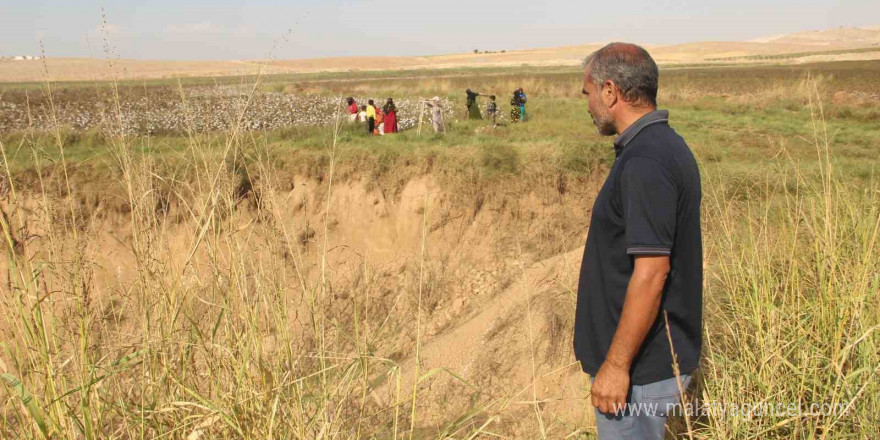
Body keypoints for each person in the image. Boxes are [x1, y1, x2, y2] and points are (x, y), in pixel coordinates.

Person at [573, 43, 702, 440]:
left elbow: (651, 273)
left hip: (637, 377)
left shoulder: (646, 161)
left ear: (610, 91)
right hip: (644, 369)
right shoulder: (661, 146)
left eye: (589, 92)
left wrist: (615, 365)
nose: (588, 102)